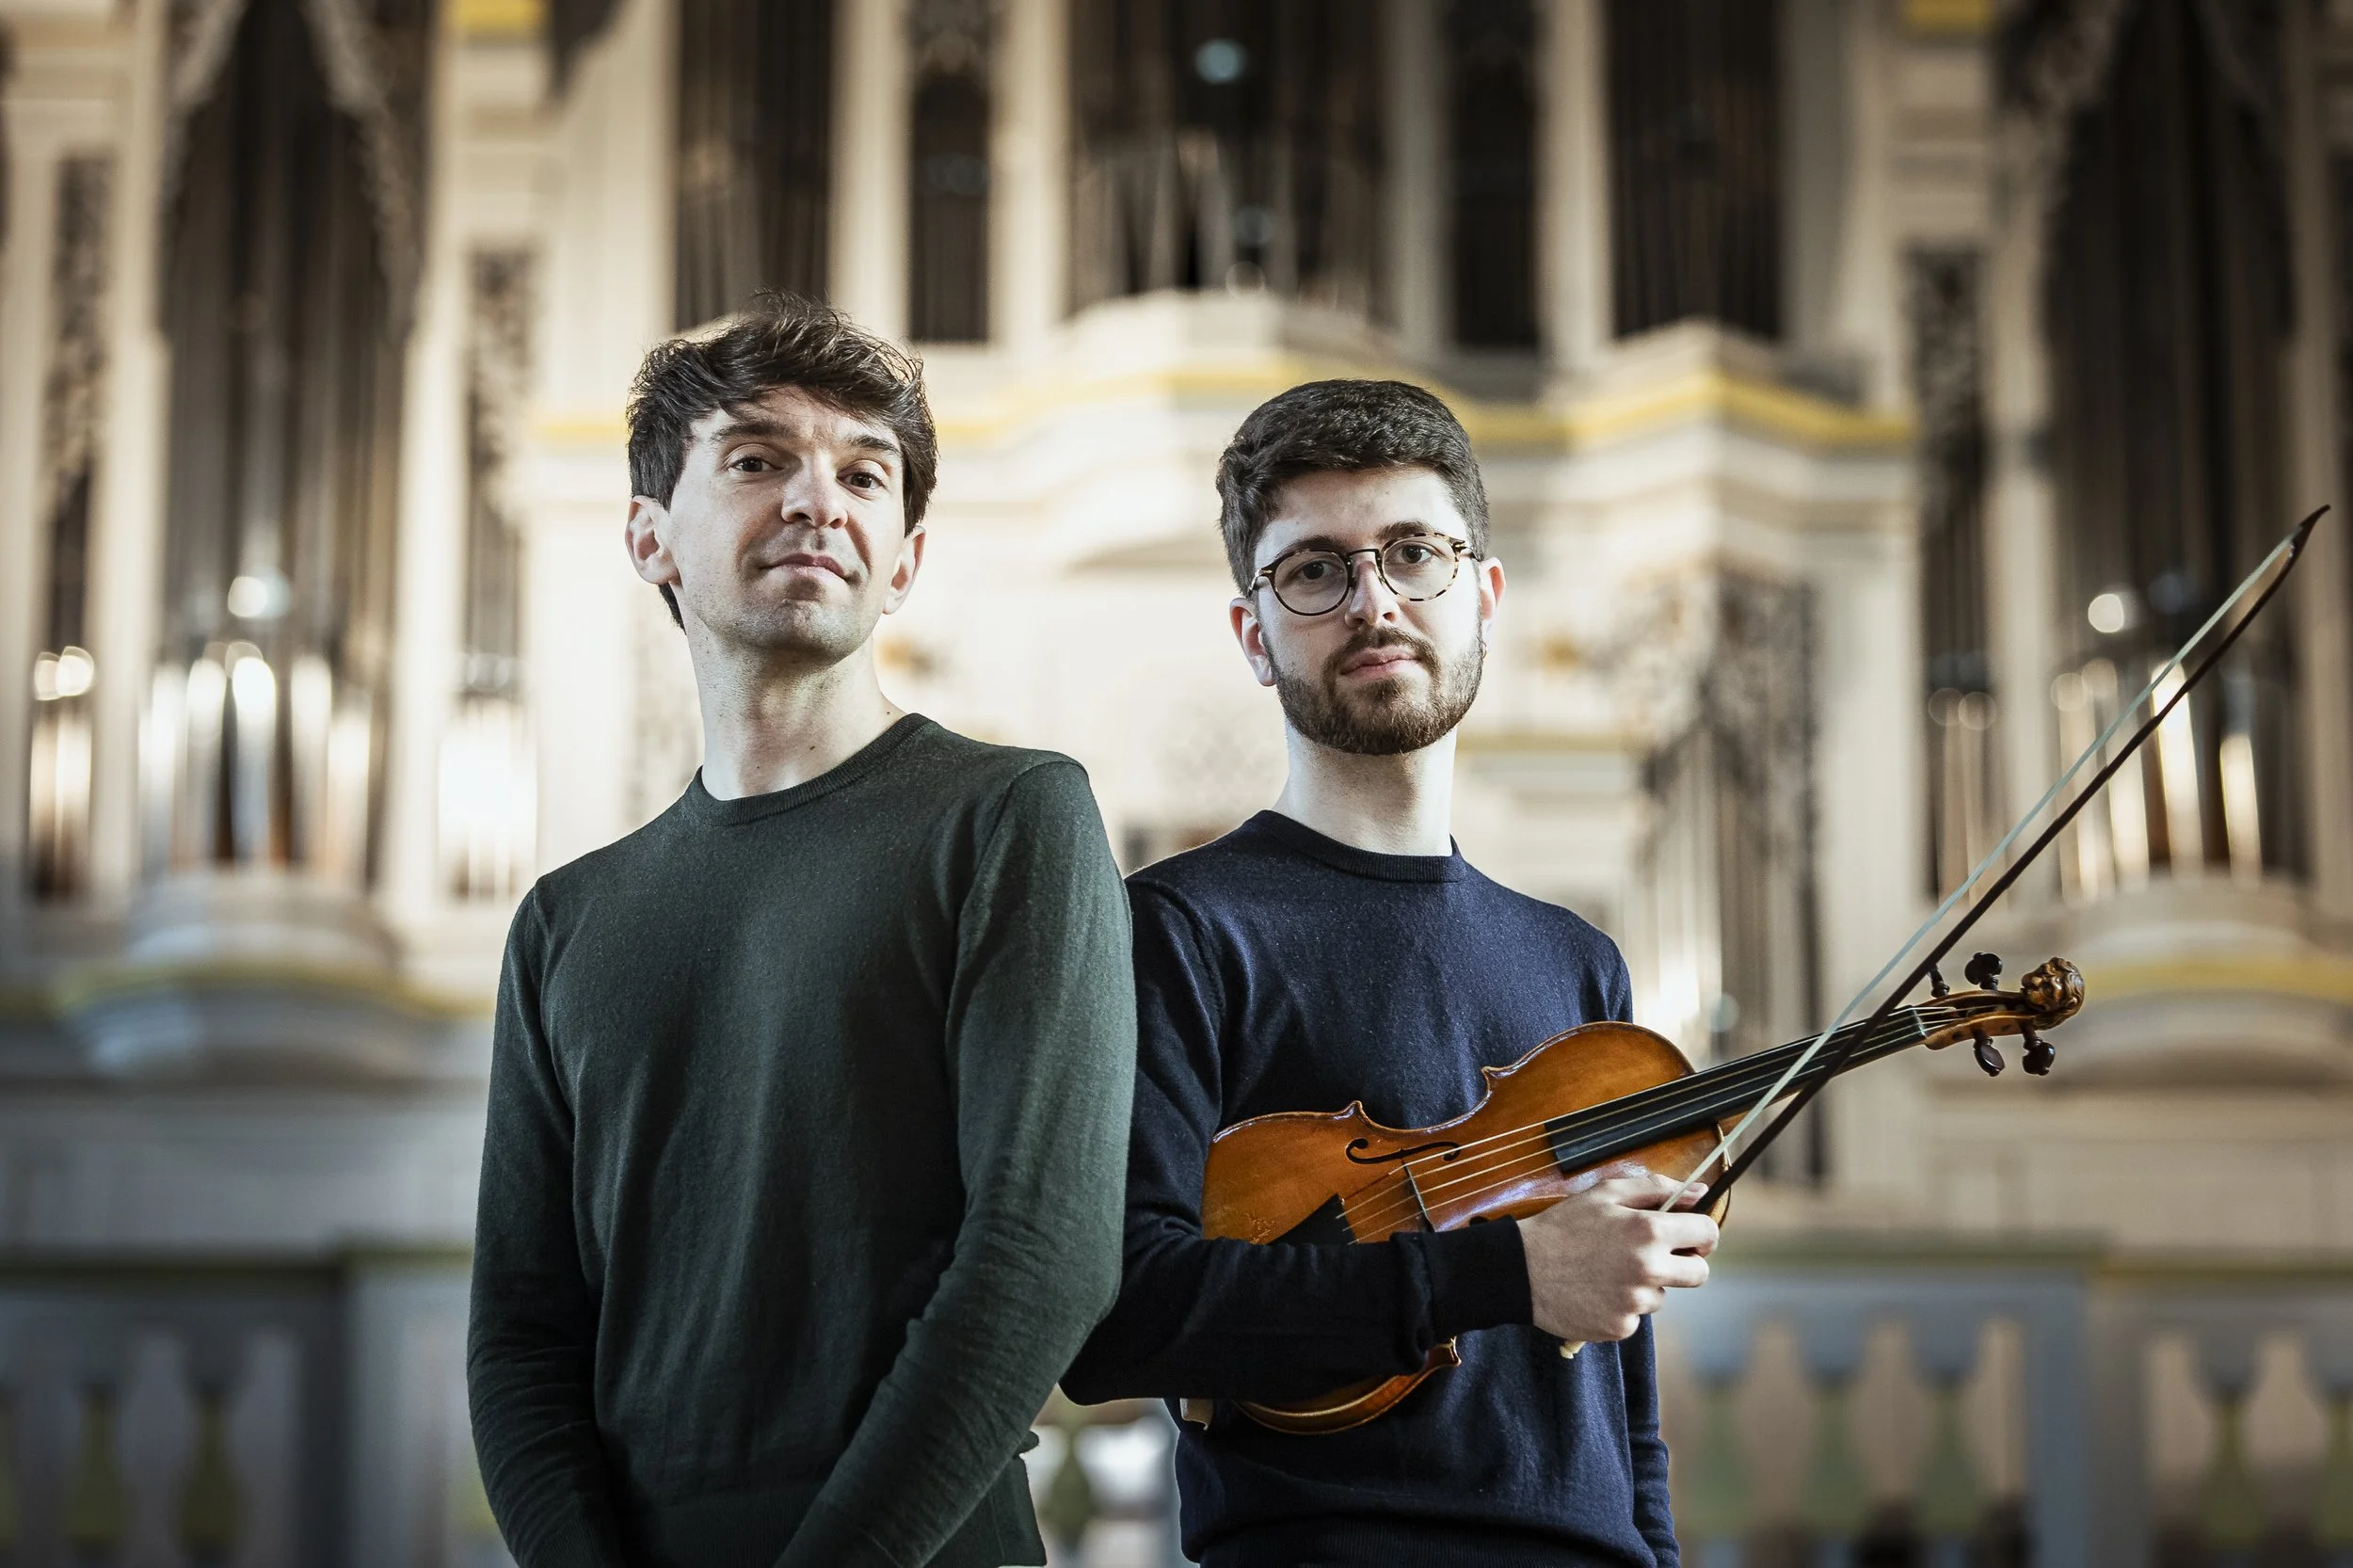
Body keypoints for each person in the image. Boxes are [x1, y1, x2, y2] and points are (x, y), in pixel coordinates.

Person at [467, 296, 1136, 1568]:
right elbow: (518, 1326)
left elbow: (1042, 1253)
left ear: (907, 559)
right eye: (758, 458)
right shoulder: (564, 921)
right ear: (649, 535)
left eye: (864, 473)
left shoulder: (1013, 817)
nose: (819, 499)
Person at [1062, 379, 1719, 1567]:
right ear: (1252, 634)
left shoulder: (1580, 964)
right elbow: (1120, 1315)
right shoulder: (1179, 928)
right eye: (1314, 569)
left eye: (1413, 553)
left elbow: (1623, 1404)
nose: (1373, 601)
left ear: (1484, 595)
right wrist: (1501, 1271)